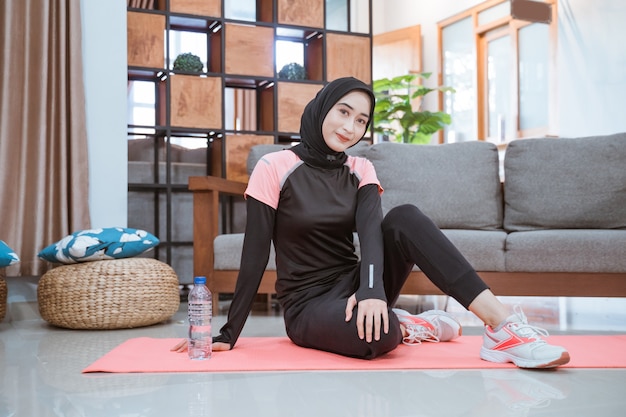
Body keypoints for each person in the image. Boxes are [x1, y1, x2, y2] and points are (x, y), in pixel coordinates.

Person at [172, 77, 570, 368]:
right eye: (343, 112)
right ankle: (408, 324)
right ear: (321, 108)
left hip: (358, 283)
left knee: (404, 218)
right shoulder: (275, 166)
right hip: (307, 305)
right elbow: (255, 254)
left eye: (360, 120)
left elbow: (371, 235)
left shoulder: (360, 168)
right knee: (377, 338)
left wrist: (370, 289)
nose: (349, 127)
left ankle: (502, 330)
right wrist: (228, 332)